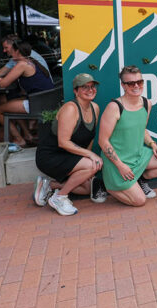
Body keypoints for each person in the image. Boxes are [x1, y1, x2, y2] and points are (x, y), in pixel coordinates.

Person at [98, 66, 157, 206]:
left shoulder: (147, 103)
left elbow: (142, 130)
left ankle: (138, 179)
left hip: (138, 156)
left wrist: (153, 145)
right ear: (123, 85)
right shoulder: (114, 107)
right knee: (139, 201)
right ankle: (109, 186)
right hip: (118, 162)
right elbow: (103, 141)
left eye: (139, 82)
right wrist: (120, 165)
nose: (136, 86)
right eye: (130, 83)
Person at [34, 73, 104, 216]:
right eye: (84, 87)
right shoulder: (70, 108)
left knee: (86, 187)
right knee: (93, 165)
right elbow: (63, 142)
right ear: (75, 91)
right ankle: (59, 197)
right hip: (50, 156)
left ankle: (50, 185)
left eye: (92, 86)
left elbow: (89, 138)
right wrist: (90, 157)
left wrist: (87, 160)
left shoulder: (95, 108)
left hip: (69, 155)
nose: (90, 90)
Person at [0, 40, 55, 147]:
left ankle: (19, 139)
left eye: (12, 51)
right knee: (9, 102)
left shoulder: (22, 64)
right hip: (43, 100)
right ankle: (27, 135)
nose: (11, 55)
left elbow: (3, 84)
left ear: (17, 51)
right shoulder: (32, 61)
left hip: (37, 103)